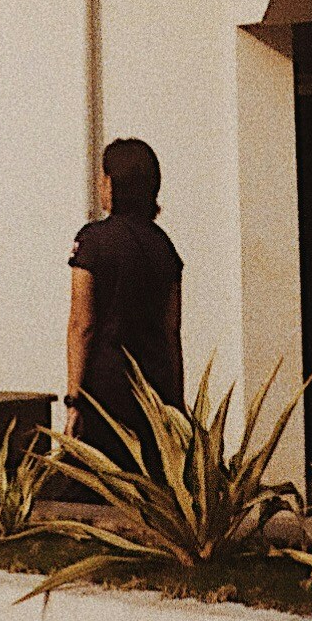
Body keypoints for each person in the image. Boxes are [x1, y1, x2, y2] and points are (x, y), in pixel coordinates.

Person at [65, 135, 183, 464]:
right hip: (154, 390)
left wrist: (73, 401)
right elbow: (171, 332)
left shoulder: (92, 242)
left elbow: (82, 325)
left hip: (105, 391)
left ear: (111, 183)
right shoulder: (164, 247)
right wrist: (177, 403)